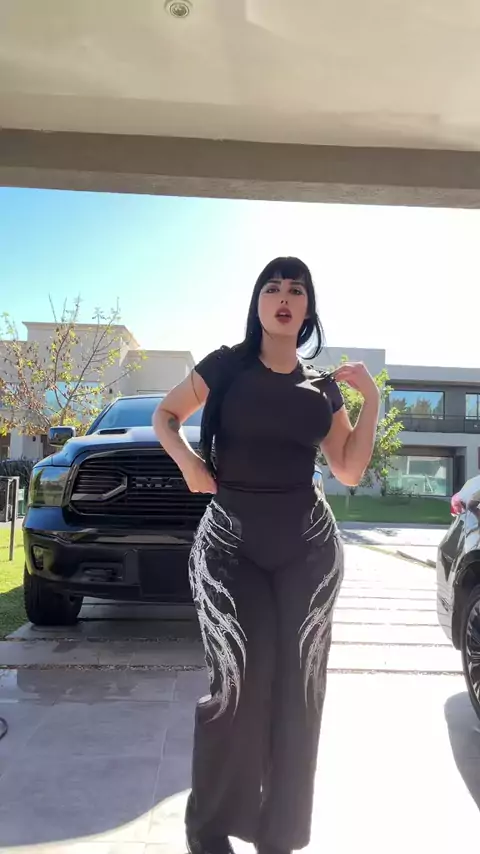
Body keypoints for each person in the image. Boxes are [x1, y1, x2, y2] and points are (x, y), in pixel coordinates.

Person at [153, 257, 380, 854]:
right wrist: (190, 464)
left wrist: (371, 399)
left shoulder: (322, 388)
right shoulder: (225, 366)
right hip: (229, 547)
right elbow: (165, 416)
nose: (283, 296)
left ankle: (279, 835)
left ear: (308, 309)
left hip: (309, 552)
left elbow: (348, 468)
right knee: (238, 686)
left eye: (296, 290)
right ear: (257, 303)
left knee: (299, 693)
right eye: (272, 287)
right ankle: (208, 830)